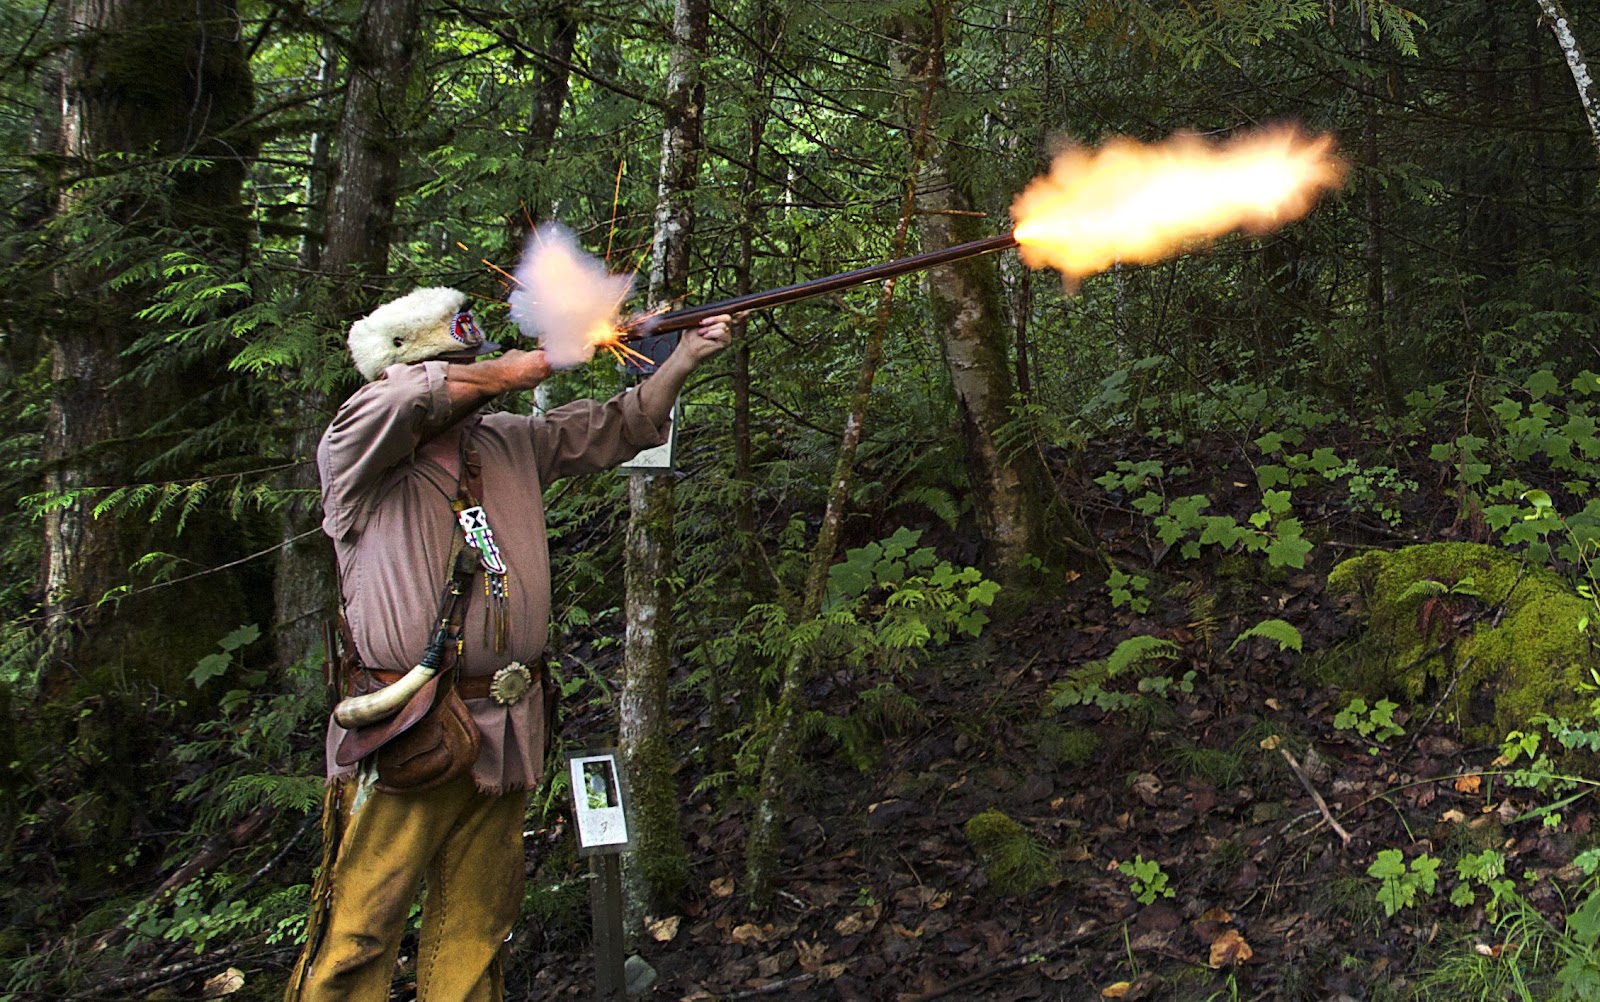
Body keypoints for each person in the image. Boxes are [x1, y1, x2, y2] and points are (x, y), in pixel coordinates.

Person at [284, 286, 732, 1002]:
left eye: (474, 362)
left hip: (503, 725)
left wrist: (683, 357)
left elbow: (623, 425)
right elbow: (400, 403)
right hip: (406, 727)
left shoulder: (504, 441)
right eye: (457, 367)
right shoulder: (359, 447)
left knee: (475, 927)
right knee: (360, 932)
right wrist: (517, 370)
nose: (470, 380)